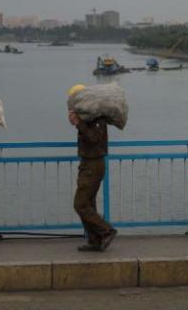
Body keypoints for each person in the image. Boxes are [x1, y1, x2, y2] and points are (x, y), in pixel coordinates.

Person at [67, 84, 117, 252]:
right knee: (89, 203)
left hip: (94, 165)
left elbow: (94, 138)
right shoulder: (88, 118)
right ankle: (94, 241)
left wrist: (78, 124)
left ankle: (107, 230)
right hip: (87, 163)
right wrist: (78, 122)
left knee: (80, 204)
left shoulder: (97, 119)